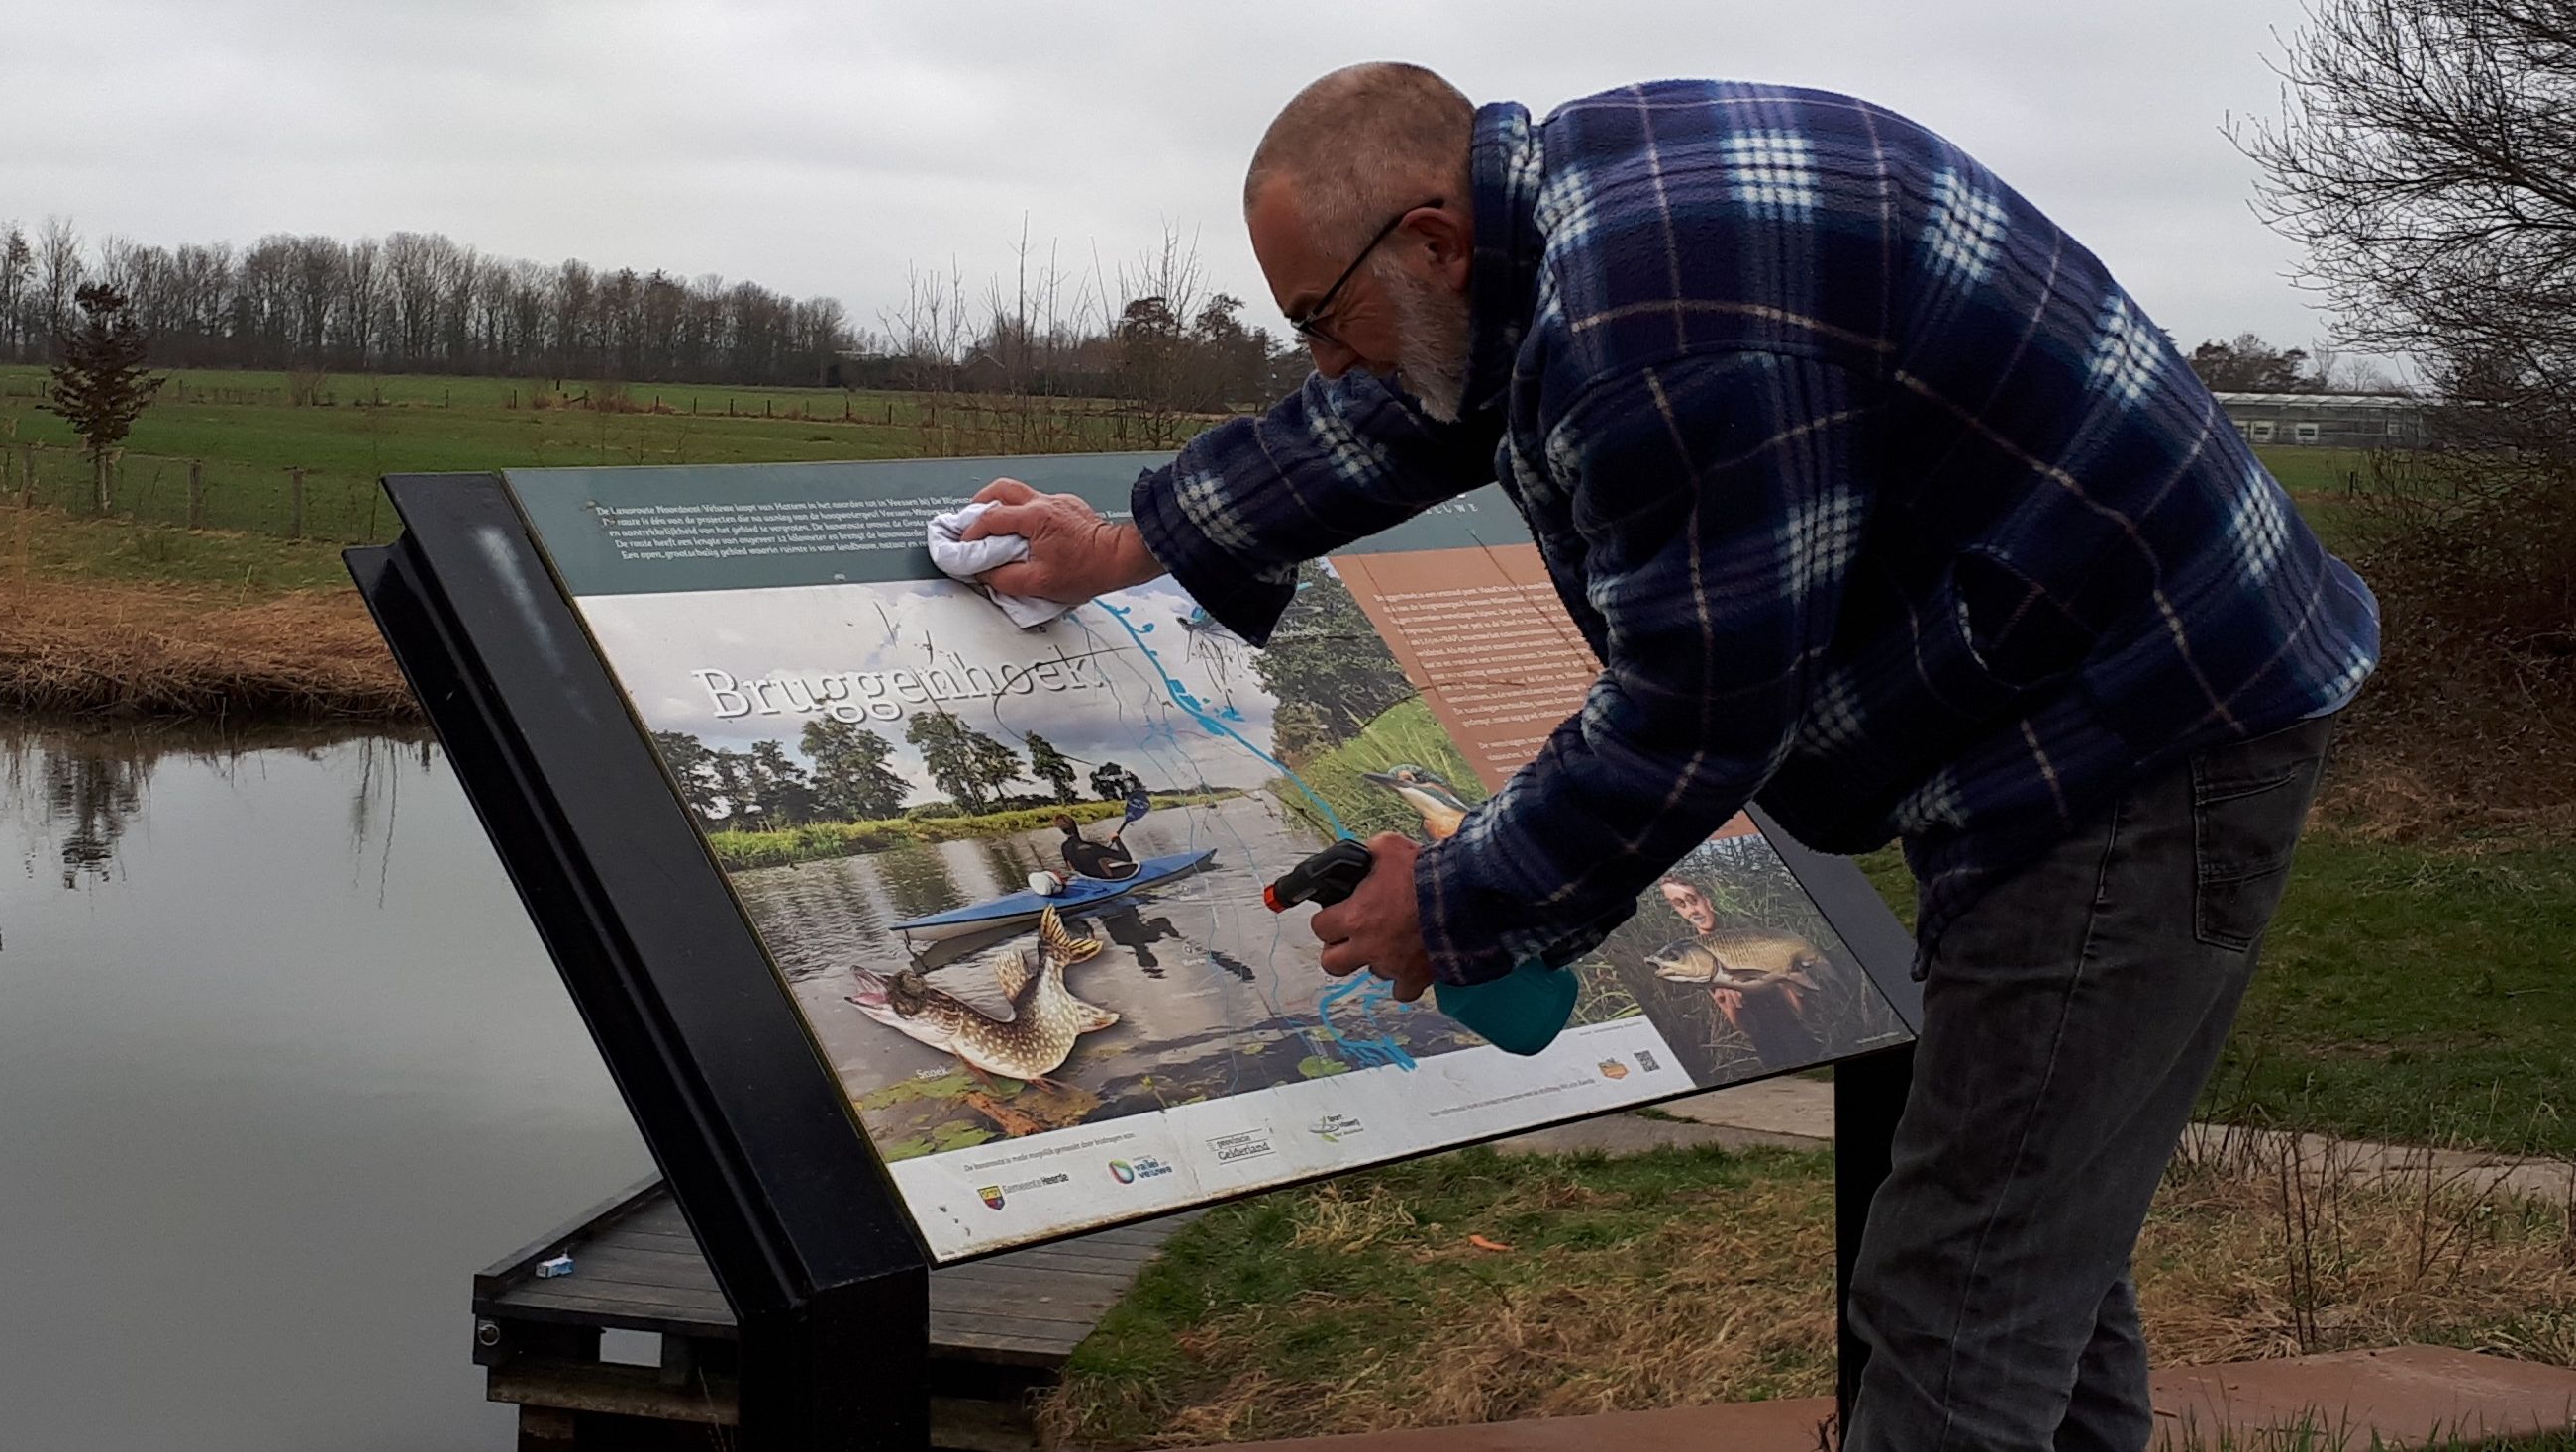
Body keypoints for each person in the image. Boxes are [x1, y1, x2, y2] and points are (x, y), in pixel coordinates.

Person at [957, 63, 2377, 1450]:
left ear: (1435, 239)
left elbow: (1695, 710)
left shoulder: (1658, 330)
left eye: (1324, 318)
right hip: (2053, 693)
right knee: (2023, 1245)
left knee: (1958, 1296)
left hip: (2140, 720)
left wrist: (1448, 900)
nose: (1325, 360)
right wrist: (1138, 540)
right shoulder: (1553, 232)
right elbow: (1402, 404)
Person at [1655, 875, 1821, 1064]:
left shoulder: (1745, 931)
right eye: (1681, 904)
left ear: (1707, 900)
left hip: (1798, 1031)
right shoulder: (1695, 960)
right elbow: (1745, 1028)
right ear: (1678, 912)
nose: (1692, 910)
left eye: (1693, 900)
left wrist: (1795, 996)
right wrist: (1733, 1009)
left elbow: (1796, 1000)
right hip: (1766, 1043)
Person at [1054, 813, 1138, 881]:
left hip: (1089, 880)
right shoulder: (1092, 847)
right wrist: (1116, 839)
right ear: (1076, 826)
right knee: (1134, 866)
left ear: (1062, 830)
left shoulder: (1064, 848)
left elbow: (1071, 868)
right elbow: (1126, 858)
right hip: (1106, 880)